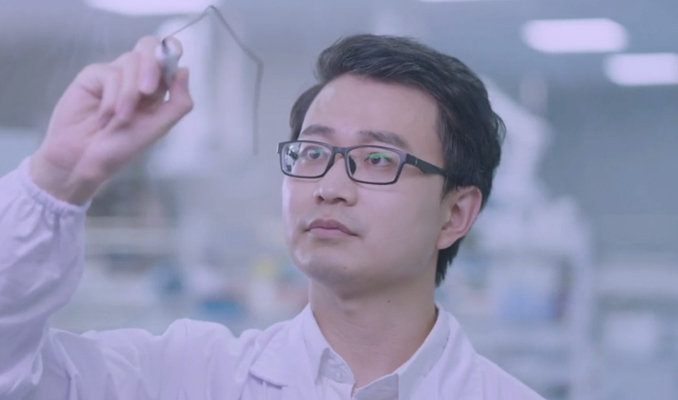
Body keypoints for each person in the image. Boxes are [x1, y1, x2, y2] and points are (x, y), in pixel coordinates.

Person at [0, 34, 544, 399]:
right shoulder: (185, 377)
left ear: (455, 214)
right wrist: (56, 178)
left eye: (377, 159)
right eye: (312, 152)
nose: (330, 187)